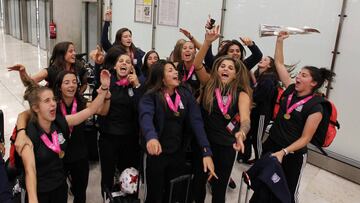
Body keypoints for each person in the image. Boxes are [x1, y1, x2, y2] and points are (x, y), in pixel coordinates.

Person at [15, 69, 110, 203]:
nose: (53, 103)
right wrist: (33, 199)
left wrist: (105, 87)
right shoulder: (30, 134)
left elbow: (90, 110)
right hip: (40, 192)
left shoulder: (60, 121)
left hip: (59, 188)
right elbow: (30, 170)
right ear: (35, 108)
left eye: (53, 99)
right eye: (47, 101)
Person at [261, 31, 335, 203]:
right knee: (264, 184)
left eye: (303, 75)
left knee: (287, 193)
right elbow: (279, 63)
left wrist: (284, 152)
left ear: (314, 83)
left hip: (292, 155)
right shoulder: (290, 89)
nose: (298, 77)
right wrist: (279, 41)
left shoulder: (316, 107)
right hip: (272, 145)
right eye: (299, 73)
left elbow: (305, 138)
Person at [139, 60, 216, 203]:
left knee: (175, 193)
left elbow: (196, 122)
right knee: (155, 195)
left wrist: (206, 151)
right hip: (156, 153)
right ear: (161, 78)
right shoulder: (150, 96)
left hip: (178, 152)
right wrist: (151, 137)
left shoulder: (185, 94)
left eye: (175, 70)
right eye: (170, 70)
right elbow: (146, 117)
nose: (175, 72)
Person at [194, 26, 252, 202]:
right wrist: (207, 42)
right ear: (217, 70)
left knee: (220, 190)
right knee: (198, 185)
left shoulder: (241, 93)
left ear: (235, 74)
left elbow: (246, 120)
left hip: (226, 147)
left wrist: (242, 133)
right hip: (204, 144)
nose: (225, 69)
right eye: (222, 66)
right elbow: (197, 65)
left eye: (230, 68)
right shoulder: (209, 83)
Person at [97, 49, 142, 195]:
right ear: (115, 66)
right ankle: (107, 195)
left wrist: (136, 86)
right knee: (108, 174)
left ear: (131, 68)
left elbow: (141, 108)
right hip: (108, 136)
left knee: (129, 174)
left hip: (130, 137)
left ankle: (128, 198)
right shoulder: (107, 83)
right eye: (121, 61)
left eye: (128, 62)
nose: (124, 63)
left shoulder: (136, 85)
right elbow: (98, 109)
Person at [8, 41, 88, 94]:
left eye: (74, 50)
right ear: (61, 55)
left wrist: (78, 95)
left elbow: (84, 84)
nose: (74, 53)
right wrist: (22, 72)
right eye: (70, 51)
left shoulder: (78, 67)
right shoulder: (52, 71)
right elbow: (29, 82)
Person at [242, 56, 280, 163]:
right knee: (248, 135)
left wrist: (249, 99)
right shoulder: (260, 76)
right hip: (255, 112)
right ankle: (245, 156)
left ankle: (260, 161)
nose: (262, 59)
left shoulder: (269, 79)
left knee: (257, 138)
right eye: (262, 58)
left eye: (265, 60)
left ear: (269, 65)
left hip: (262, 114)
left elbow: (260, 96)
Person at [101, 9, 145, 76]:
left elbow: (139, 70)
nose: (129, 38)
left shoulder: (136, 52)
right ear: (119, 39)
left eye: (130, 36)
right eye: (125, 36)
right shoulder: (115, 51)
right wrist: (107, 22)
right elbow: (104, 41)